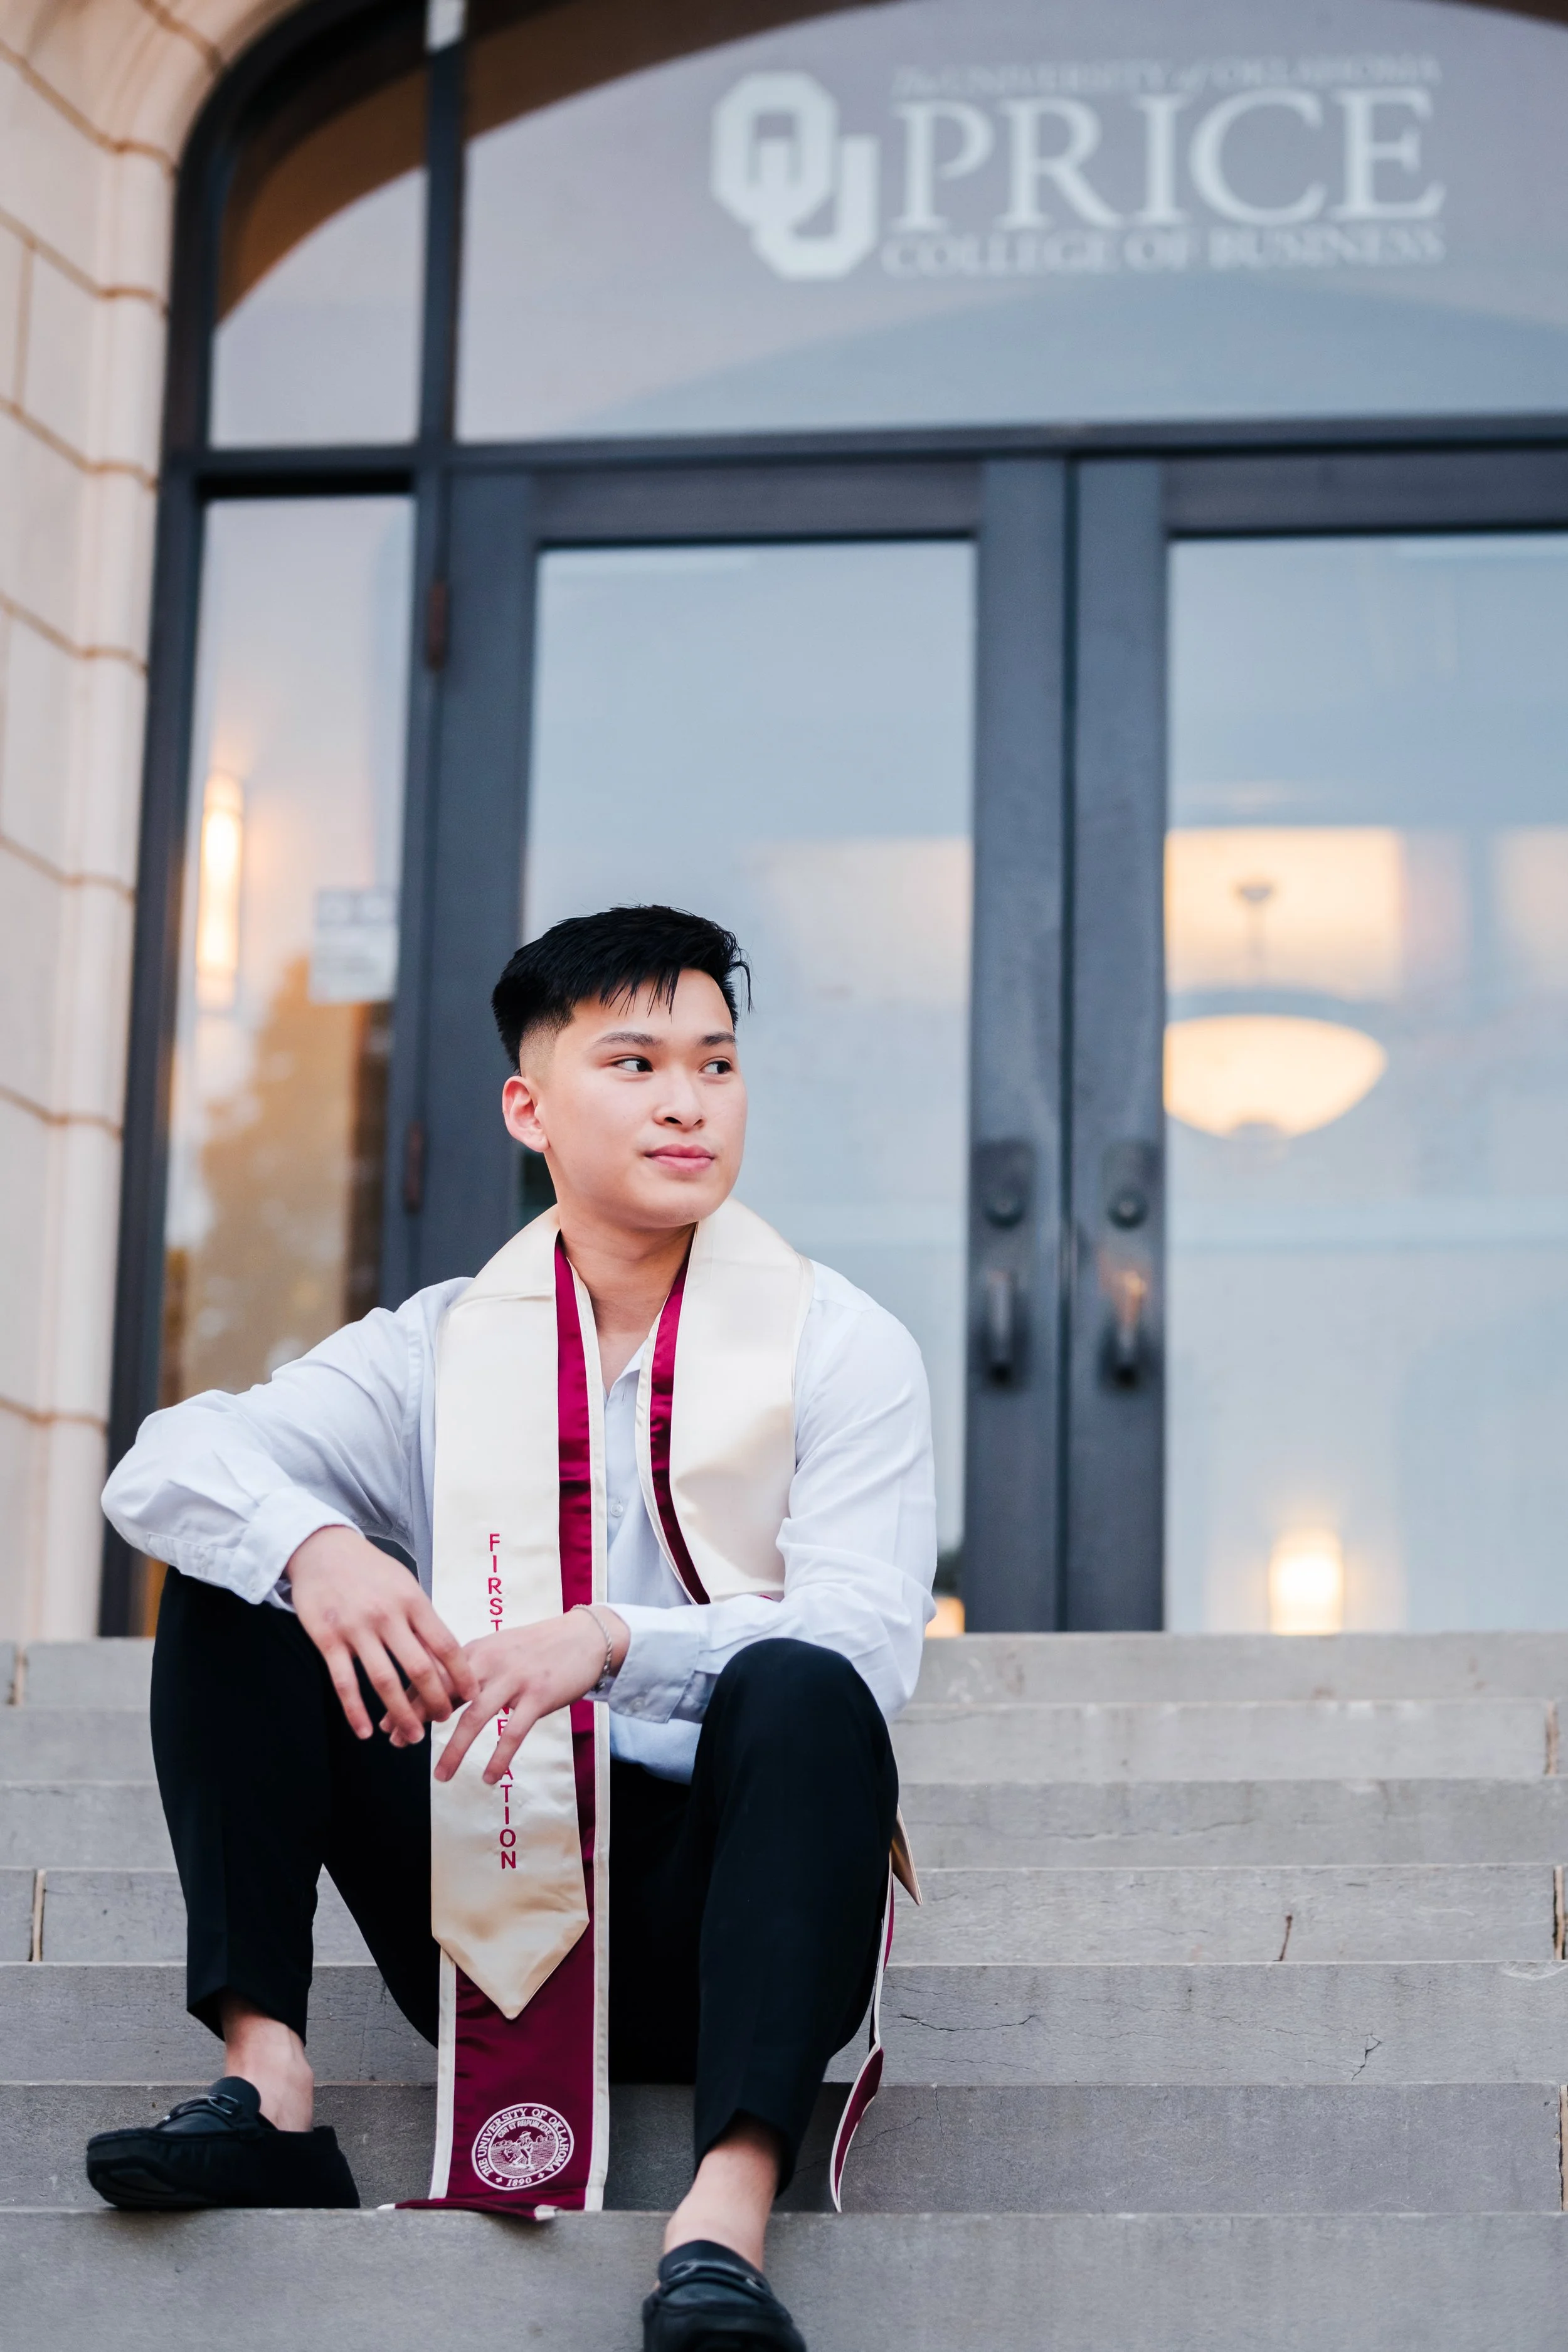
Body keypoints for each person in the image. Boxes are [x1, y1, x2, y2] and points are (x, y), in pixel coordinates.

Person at [90, 904, 936, 2352]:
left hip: (726, 1906)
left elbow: (865, 1646)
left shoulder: (838, 1343)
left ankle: (721, 2223)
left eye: (717, 1065)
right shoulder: (434, 1343)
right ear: (527, 1107)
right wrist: (319, 1546)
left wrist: (609, 1639)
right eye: (636, 1062)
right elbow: (161, 1465)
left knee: (800, 1686)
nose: (687, 1101)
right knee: (245, 1582)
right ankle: (270, 2090)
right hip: (484, 1906)